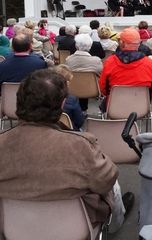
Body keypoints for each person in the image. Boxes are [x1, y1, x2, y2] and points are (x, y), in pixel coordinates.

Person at [0, 69, 133, 232]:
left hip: (13, 226)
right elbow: (106, 181)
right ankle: (115, 224)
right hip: (74, 228)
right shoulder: (81, 145)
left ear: (18, 101)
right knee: (113, 184)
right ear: (63, 104)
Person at [99, 27, 152, 100]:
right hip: (141, 106)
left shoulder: (110, 62)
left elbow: (103, 88)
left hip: (115, 105)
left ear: (122, 42)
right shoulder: (150, 64)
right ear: (139, 43)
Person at [52, 64, 86, 131]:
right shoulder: (72, 100)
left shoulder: (43, 96)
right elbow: (80, 121)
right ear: (67, 83)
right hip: (69, 131)